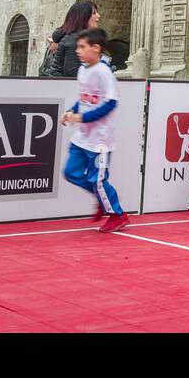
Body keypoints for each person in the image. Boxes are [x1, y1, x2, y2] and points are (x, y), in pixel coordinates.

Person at [60, 27, 129, 233]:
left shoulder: (103, 72)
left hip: (99, 140)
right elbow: (84, 98)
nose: (78, 51)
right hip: (81, 137)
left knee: (97, 180)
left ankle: (118, 214)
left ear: (96, 48)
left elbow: (110, 103)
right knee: (70, 172)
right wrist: (71, 111)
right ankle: (102, 198)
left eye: (82, 47)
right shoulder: (83, 70)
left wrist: (81, 117)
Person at [47, 1, 101, 78]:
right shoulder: (75, 40)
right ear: (83, 16)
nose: (98, 16)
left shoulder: (78, 38)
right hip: (64, 87)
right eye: (94, 13)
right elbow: (72, 72)